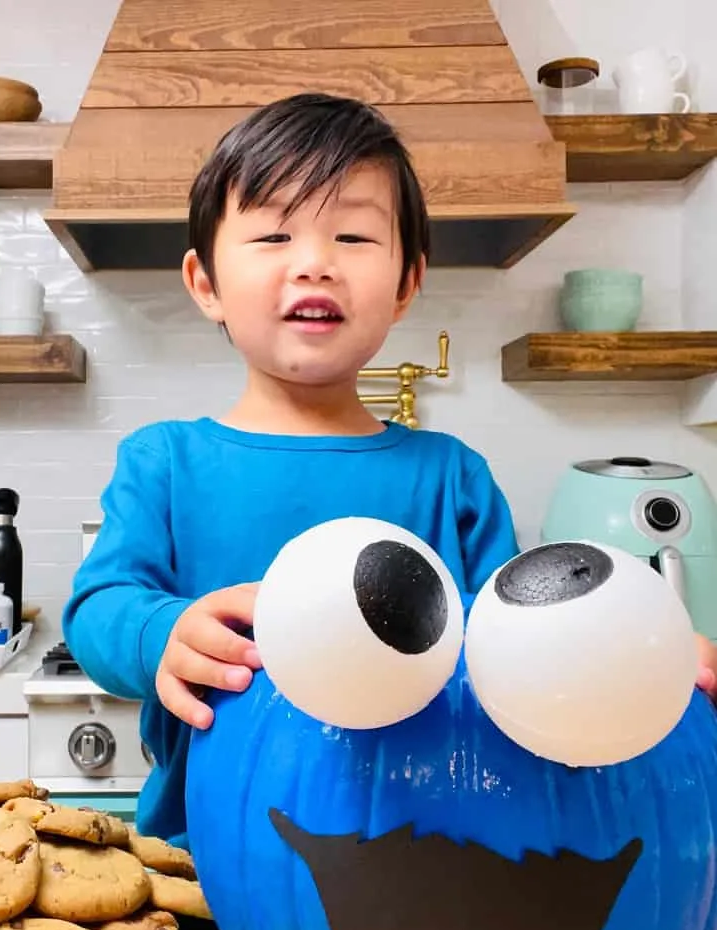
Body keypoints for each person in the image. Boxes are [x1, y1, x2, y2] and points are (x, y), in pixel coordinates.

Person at [63, 92, 717, 847]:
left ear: (408, 281)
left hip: (419, 857)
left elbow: (520, 650)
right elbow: (97, 609)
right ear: (205, 281)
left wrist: (639, 654)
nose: (314, 263)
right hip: (204, 858)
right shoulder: (164, 461)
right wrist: (162, 631)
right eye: (274, 233)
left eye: (351, 234)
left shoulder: (451, 476)